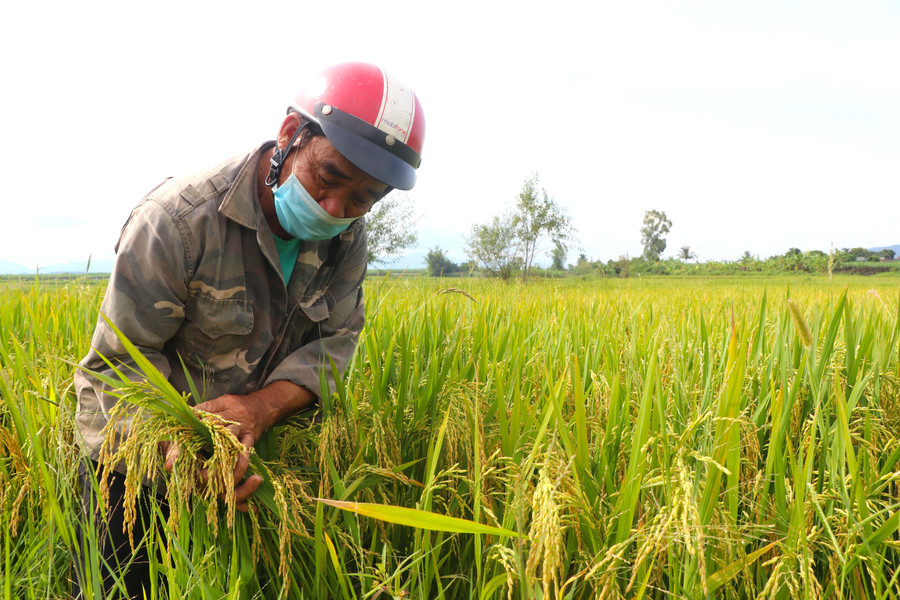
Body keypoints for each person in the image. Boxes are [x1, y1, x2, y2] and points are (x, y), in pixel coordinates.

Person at [72, 61, 425, 598]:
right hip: (130, 469)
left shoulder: (346, 242)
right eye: (328, 177)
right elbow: (114, 369)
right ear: (290, 136)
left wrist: (259, 409)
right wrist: (183, 450)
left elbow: (334, 349)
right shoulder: (178, 222)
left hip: (245, 471)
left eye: (363, 199)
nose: (336, 209)